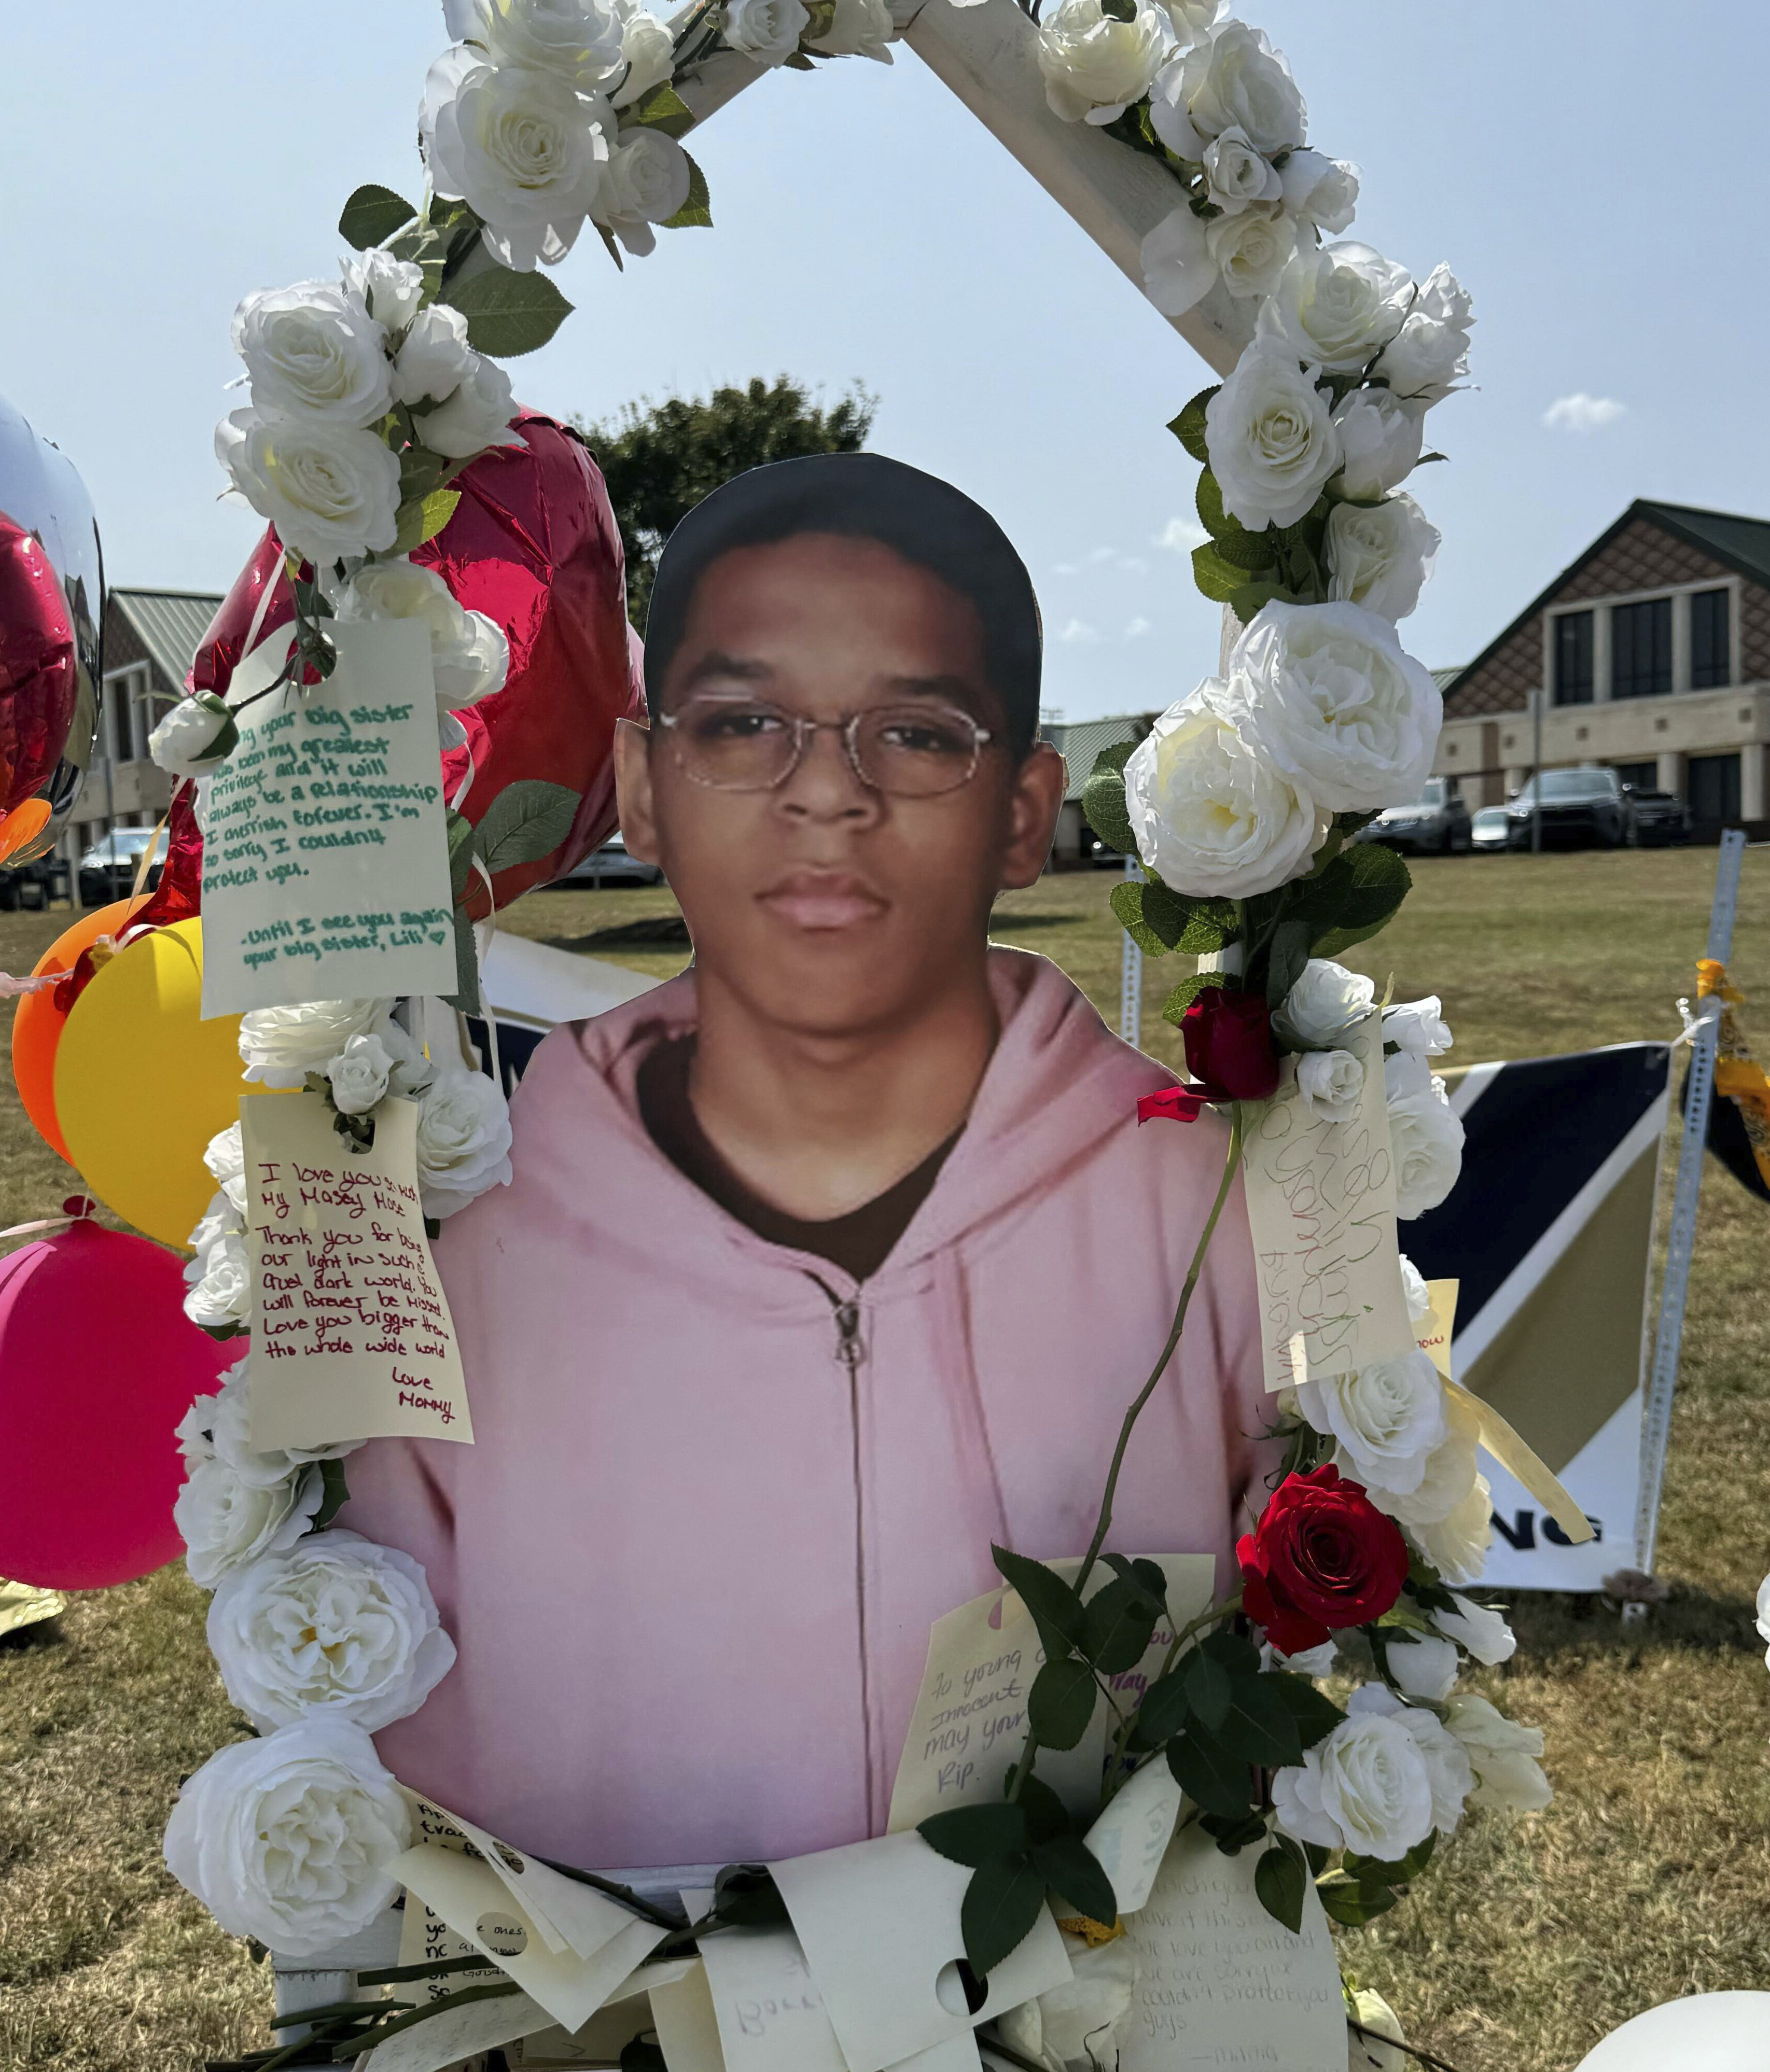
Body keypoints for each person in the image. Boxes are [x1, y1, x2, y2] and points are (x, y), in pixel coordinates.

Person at [345, 453, 1268, 1873]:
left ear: (1025, 811)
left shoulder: (1214, 1214)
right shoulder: (453, 1246)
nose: (827, 793)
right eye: (742, 722)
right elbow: (392, 1758)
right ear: (641, 787)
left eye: (915, 731)